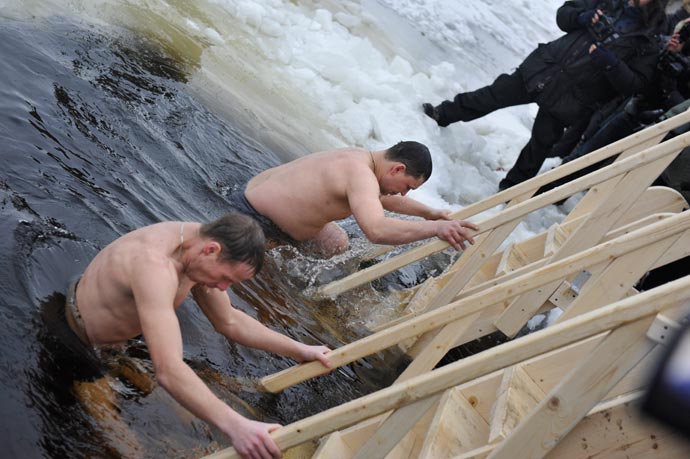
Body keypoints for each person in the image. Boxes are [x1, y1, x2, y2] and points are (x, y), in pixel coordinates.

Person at [64, 213, 331, 459]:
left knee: (193, 417)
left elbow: (229, 321)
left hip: (118, 348)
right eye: (225, 278)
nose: (223, 288)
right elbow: (168, 370)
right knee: (127, 450)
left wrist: (300, 349)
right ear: (211, 249)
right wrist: (236, 428)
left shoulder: (196, 250)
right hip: (77, 347)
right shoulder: (154, 267)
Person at [423, 0, 666, 191]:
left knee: (540, 144)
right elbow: (564, 15)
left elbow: (634, 85)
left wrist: (610, 63)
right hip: (546, 66)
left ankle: (511, 192)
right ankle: (442, 113)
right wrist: (581, 17)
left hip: (575, 95)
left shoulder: (651, 35)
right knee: (492, 95)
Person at [231, 140, 478, 257]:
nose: (403, 194)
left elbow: (382, 198)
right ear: (397, 169)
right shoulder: (361, 175)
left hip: (254, 200)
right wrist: (436, 229)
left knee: (336, 242)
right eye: (407, 187)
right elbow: (376, 230)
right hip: (253, 221)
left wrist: (429, 213)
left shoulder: (359, 158)